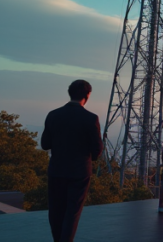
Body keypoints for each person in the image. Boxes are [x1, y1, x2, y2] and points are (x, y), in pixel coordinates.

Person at [41, 80, 102, 242]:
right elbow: (97, 150)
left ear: (70, 92)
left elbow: (45, 144)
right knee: (72, 212)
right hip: (80, 171)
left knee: (56, 211)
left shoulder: (53, 115)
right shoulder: (91, 118)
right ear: (87, 95)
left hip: (57, 169)